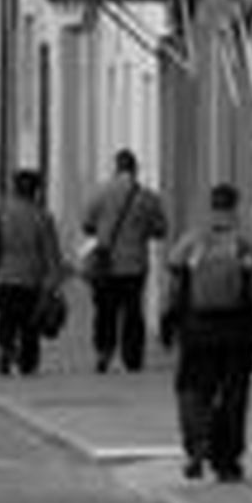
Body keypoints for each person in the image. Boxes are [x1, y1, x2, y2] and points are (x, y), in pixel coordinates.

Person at [161, 183, 252, 482]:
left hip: (198, 330)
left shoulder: (194, 239)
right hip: (235, 332)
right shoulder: (244, 242)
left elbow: (175, 278)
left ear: (211, 206)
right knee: (233, 396)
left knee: (193, 390)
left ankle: (197, 446)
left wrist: (169, 321)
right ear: (235, 206)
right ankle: (228, 460)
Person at [80, 149, 169, 373]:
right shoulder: (148, 197)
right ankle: (132, 357)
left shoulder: (100, 193)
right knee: (133, 310)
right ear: (135, 169)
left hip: (106, 264)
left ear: (116, 168)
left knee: (105, 310)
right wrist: (141, 231)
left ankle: (104, 351)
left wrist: (102, 230)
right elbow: (160, 230)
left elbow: (87, 225)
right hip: (134, 264)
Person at [0, 169, 64, 377]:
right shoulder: (42, 216)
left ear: (15, 188)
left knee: (5, 318)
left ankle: (5, 351)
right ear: (36, 190)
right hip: (30, 280)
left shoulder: (1, 211)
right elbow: (51, 253)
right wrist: (53, 282)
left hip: (2, 276)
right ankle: (27, 363)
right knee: (29, 324)